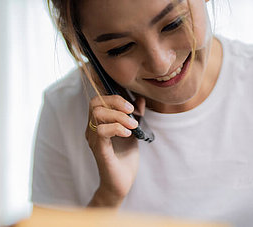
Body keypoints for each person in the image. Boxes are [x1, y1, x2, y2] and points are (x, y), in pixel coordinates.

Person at [31, 0, 253, 226]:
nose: (161, 65)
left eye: (173, 24)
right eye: (120, 48)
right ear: (84, 48)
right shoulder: (64, 108)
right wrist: (108, 197)